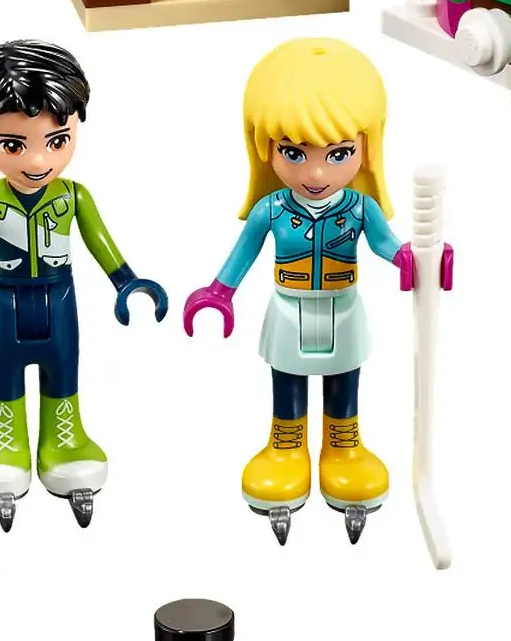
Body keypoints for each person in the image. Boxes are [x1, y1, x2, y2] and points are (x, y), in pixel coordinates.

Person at [183, 37, 437, 543]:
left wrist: (416, 258)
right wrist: (219, 292)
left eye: (338, 153)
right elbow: (243, 252)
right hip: (288, 308)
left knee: (344, 380)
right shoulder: (272, 209)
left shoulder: (360, 209)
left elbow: (388, 246)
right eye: (294, 153)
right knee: (288, 381)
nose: (316, 173)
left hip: (343, 308)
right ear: (266, 147)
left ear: (366, 146)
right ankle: (286, 446)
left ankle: (344, 446)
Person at [0, 39, 164, 529]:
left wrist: (127, 282)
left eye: (56, 141)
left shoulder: (74, 196)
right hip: (4, 304)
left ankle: (64, 440)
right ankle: (3, 442)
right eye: (14, 144)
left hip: (60, 300)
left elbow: (100, 241)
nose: (36, 161)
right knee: (2, 378)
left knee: (63, 374)